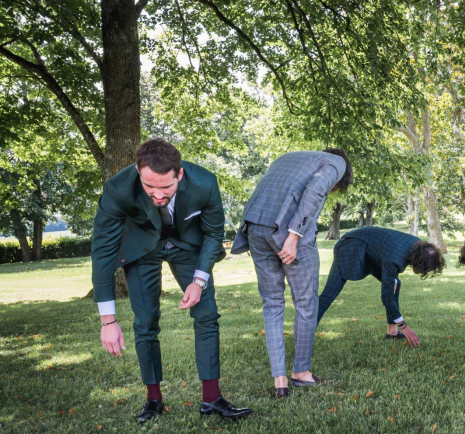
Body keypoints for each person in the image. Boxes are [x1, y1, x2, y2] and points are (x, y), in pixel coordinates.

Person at [92, 139, 251, 423]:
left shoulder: (205, 183)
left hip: (188, 246)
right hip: (142, 248)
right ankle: (153, 399)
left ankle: (212, 398)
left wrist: (198, 281)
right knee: (145, 321)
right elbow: (103, 251)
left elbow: (214, 235)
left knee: (207, 315)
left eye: (165, 187)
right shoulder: (118, 188)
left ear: (180, 174)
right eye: (149, 186)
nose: (157, 194)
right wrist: (108, 321)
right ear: (138, 172)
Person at [231, 149, 353, 399]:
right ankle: (301, 373)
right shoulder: (337, 163)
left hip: (254, 225)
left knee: (272, 303)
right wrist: (294, 235)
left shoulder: (287, 157)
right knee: (306, 304)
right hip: (287, 232)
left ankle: (280, 380)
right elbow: (316, 190)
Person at [317, 226, 445, 347]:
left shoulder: (419, 245)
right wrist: (404, 326)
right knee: (330, 293)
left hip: (370, 248)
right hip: (349, 245)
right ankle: (305, 332)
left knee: (395, 284)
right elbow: (386, 297)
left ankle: (392, 331)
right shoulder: (395, 258)